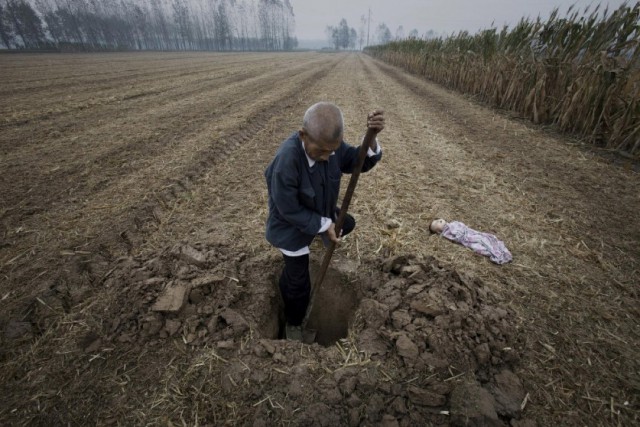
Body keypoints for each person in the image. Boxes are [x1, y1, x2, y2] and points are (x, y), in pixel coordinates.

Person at [264, 102, 385, 340]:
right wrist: (324, 225)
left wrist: (370, 140)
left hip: (320, 212)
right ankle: (294, 325)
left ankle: (321, 234)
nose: (327, 156)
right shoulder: (286, 161)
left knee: (346, 224)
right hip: (290, 227)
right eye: (321, 151)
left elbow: (358, 161)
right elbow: (288, 209)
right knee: (298, 284)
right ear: (303, 135)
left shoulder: (331, 147)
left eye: (332, 151)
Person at [429, 218, 513, 265]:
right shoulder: (446, 233)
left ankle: (497, 249)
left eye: (438, 220)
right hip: (467, 239)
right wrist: (461, 234)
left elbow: (461, 225)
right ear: (438, 231)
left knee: (485, 237)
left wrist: (463, 228)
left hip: (470, 232)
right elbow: (456, 238)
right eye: (436, 224)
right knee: (479, 245)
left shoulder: (453, 223)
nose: (438, 221)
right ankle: (495, 253)